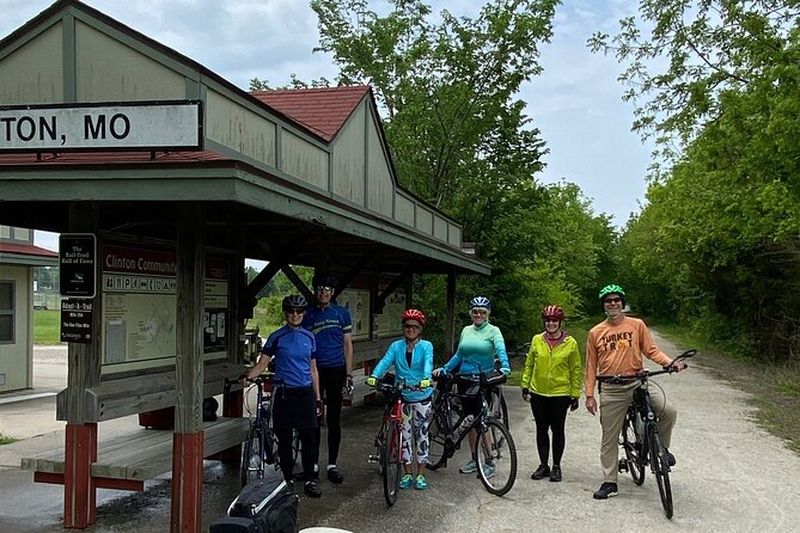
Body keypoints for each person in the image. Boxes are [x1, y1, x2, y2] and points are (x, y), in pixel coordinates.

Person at [585, 284, 687, 500]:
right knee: (609, 437)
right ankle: (609, 481)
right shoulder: (596, 332)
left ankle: (662, 451)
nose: (613, 303)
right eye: (608, 301)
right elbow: (591, 366)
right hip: (612, 389)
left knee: (668, 411)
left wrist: (671, 363)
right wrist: (589, 395)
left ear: (622, 303)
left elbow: (651, 350)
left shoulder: (636, 325)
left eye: (616, 300)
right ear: (603, 305)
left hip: (638, 382)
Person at [245, 295, 322, 497]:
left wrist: (318, 397)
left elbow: (313, 369)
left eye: (299, 312)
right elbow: (262, 364)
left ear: (304, 314)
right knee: (285, 439)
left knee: (309, 438)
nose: (295, 315)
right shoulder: (277, 336)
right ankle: (287, 478)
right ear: (286, 313)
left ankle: (309, 480)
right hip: (285, 393)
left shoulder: (309, 337)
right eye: (291, 311)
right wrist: (246, 378)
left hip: (305, 393)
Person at [433, 295, 511, 476]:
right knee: (470, 420)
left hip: (483, 380)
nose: (478, 315)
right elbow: (459, 355)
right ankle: (475, 459)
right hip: (464, 378)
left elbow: (500, 349)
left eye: (482, 312)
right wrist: (445, 369)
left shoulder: (493, 331)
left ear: (487, 314)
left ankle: (489, 460)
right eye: (475, 312)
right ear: (471, 313)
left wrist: (505, 367)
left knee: (482, 419)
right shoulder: (466, 330)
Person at [366, 308, 434, 490]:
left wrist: (426, 379)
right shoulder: (396, 346)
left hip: (421, 396)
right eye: (407, 326)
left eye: (415, 326)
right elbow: (385, 361)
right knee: (404, 436)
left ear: (420, 329)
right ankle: (407, 473)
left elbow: (428, 363)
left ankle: (420, 474)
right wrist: (374, 375)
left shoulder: (426, 346)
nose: (410, 329)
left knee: (421, 434)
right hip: (403, 395)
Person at [520, 305, 582, 483]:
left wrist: (575, 393)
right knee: (541, 429)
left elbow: (576, 369)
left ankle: (556, 466)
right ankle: (543, 465)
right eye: (548, 320)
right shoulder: (537, 340)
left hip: (560, 393)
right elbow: (530, 363)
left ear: (560, 322)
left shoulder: (570, 343)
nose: (551, 323)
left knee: (557, 429)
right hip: (538, 392)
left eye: (554, 320)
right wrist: (525, 385)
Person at [302, 273, 353, 484]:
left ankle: (332, 464)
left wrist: (349, 375)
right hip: (314, 371)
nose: (323, 292)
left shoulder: (342, 314)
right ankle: (313, 463)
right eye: (320, 289)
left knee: (334, 419)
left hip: (336, 370)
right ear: (316, 291)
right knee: (314, 418)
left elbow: (347, 345)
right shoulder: (308, 314)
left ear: (333, 293)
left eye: (327, 289)